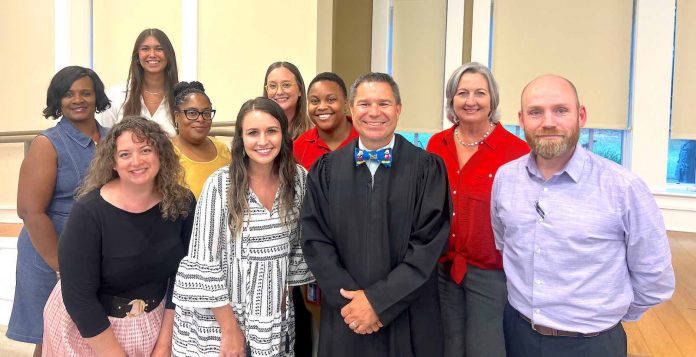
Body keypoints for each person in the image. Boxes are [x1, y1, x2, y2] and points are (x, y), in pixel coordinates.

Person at [491, 75, 675, 357]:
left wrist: (604, 318)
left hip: (592, 344)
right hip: (518, 335)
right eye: (536, 112)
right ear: (522, 119)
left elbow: (655, 277)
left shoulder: (623, 188)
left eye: (561, 110)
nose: (548, 121)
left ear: (581, 115)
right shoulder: (506, 179)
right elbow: (505, 245)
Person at [301, 72, 451, 356]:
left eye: (383, 103)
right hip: (347, 314)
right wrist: (354, 306)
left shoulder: (427, 169)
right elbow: (315, 240)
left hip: (408, 313)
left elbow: (428, 246)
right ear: (351, 110)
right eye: (364, 104)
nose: (374, 113)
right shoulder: (326, 171)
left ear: (398, 109)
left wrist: (378, 302)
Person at [172, 97, 314, 357]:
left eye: (271, 131)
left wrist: (282, 296)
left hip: (272, 320)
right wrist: (229, 330)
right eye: (253, 133)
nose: (262, 141)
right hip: (220, 322)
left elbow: (296, 249)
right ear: (241, 138)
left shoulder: (298, 179)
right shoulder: (220, 185)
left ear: (284, 134)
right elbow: (205, 263)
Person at [42, 117, 195, 356]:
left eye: (146, 150)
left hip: (153, 323)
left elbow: (182, 278)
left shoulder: (182, 203)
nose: (137, 161)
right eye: (125, 154)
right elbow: (79, 298)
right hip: (89, 330)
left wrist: (164, 345)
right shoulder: (88, 212)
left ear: (161, 154)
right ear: (112, 162)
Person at [425, 62, 529, 357]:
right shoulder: (437, 144)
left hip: (492, 272)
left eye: (479, 93)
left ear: (492, 100)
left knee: (486, 348)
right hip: (444, 267)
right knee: (448, 346)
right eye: (462, 93)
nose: (471, 101)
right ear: (452, 100)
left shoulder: (515, 151)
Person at [6, 66, 109, 357]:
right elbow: (29, 211)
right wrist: (62, 266)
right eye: (68, 94)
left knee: (95, 334)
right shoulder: (47, 143)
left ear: (96, 96)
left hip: (100, 248)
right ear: (57, 100)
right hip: (51, 247)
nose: (78, 100)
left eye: (85, 93)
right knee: (51, 337)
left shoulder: (114, 138)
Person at [98, 28, 179, 135]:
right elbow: (105, 139)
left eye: (159, 49)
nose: (152, 54)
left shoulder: (181, 97)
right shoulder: (115, 95)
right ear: (137, 56)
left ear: (169, 55)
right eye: (145, 49)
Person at [172, 81, 231, 198]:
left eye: (206, 113)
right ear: (177, 116)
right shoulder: (165, 152)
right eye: (192, 113)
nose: (200, 119)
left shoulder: (222, 149)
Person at [294, 72, 359, 170]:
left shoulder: (366, 138)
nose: (322, 107)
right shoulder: (298, 148)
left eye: (331, 99)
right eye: (315, 101)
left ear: (346, 104)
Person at [263, 61, 312, 140]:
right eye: (272, 86)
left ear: (300, 90)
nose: (279, 92)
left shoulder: (315, 134)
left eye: (286, 85)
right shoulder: (257, 131)